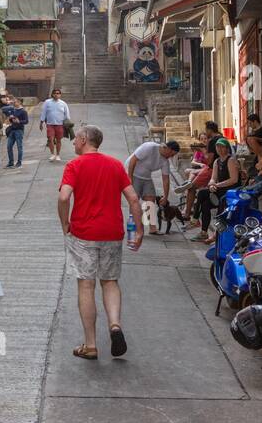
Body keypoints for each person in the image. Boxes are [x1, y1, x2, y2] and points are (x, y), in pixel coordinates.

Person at [58, 126, 145, 360]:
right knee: (110, 281)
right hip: (112, 232)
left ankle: (90, 345)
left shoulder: (74, 166)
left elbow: (64, 196)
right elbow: (133, 198)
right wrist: (139, 228)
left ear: (84, 140)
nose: (74, 142)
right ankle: (115, 325)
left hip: (84, 233)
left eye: (76, 139)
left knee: (86, 285)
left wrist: (64, 222)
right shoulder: (115, 165)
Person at [125, 137, 180, 235]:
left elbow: (166, 179)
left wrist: (165, 197)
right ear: (167, 148)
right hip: (132, 172)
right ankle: (133, 227)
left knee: (151, 199)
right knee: (134, 200)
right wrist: (129, 178)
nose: (170, 157)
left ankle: (152, 227)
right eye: (171, 154)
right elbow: (133, 160)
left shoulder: (165, 162)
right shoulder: (150, 147)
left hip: (146, 176)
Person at [196, 137, 241, 241]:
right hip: (219, 189)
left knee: (221, 203)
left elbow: (234, 180)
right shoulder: (217, 161)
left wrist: (217, 185)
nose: (219, 149)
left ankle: (217, 235)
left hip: (230, 191)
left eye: (222, 147)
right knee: (204, 200)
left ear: (227, 148)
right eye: (217, 147)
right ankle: (203, 231)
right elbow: (213, 178)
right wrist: (212, 184)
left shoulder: (230, 160)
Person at [39, 87, 71, 162]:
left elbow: (67, 115)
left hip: (60, 125)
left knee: (59, 140)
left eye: (58, 93)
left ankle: (58, 155)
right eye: (55, 93)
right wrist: (41, 123)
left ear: (60, 95)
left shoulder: (63, 104)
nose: (56, 95)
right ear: (52, 94)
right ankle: (52, 154)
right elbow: (44, 113)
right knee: (50, 139)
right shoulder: (47, 102)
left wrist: (68, 124)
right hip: (50, 124)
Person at [5, 98, 29, 168]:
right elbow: (11, 120)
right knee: (9, 146)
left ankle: (19, 162)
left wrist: (19, 121)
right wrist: (10, 118)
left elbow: (26, 121)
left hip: (19, 130)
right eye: (14, 102)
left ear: (20, 103)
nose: (14, 103)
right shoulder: (13, 110)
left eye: (16, 102)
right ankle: (11, 162)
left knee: (19, 147)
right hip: (12, 130)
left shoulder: (23, 111)